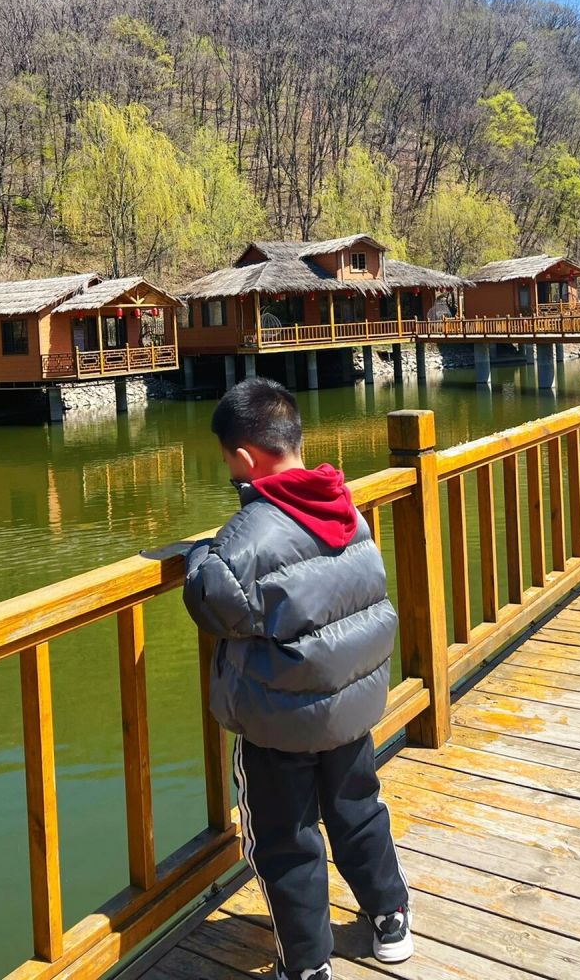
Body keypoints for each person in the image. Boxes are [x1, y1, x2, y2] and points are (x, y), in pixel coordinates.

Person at [183, 378, 412, 980]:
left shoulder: (249, 532)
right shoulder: (342, 503)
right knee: (357, 807)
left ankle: (307, 965)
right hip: (349, 702)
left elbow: (214, 600)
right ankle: (390, 916)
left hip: (280, 717)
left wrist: (197, 556)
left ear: (243, 458)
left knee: (285, 838)